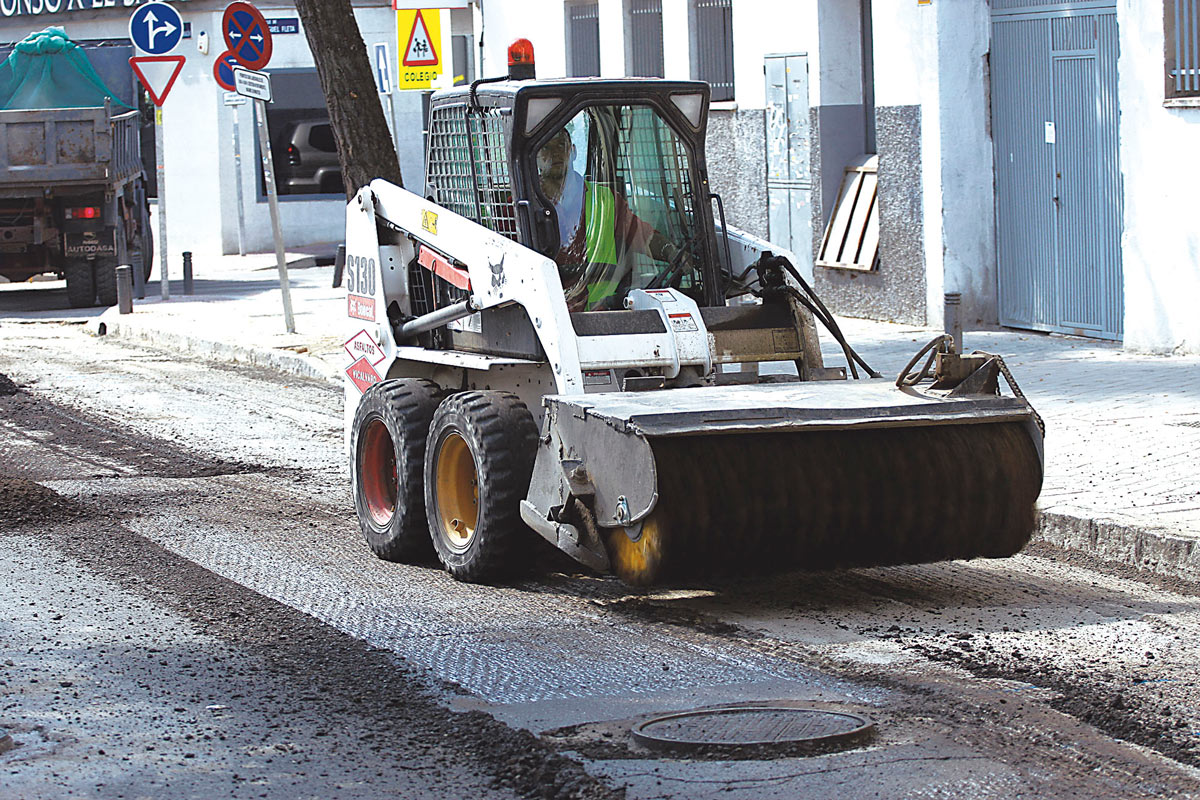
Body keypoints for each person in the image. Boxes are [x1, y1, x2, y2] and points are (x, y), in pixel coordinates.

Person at [536, 125, 691, 311]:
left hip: (603, 317)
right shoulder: (521, 207)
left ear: (574, 152)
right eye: (546, 148)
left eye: (561, 146)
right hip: (548, 316)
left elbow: (640, 234)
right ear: (535, 157)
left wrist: (669, 251)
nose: (556, 154)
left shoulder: (604, 200)